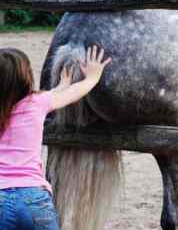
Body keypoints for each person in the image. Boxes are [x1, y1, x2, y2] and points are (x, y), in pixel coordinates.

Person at [0, 45, 111, 230]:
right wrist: (93, 76)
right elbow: (75, 92)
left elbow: (53, 94)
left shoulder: (36, 102)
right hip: (33, 198)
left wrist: (61, 86)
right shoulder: (36, 103)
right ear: (25, 77)